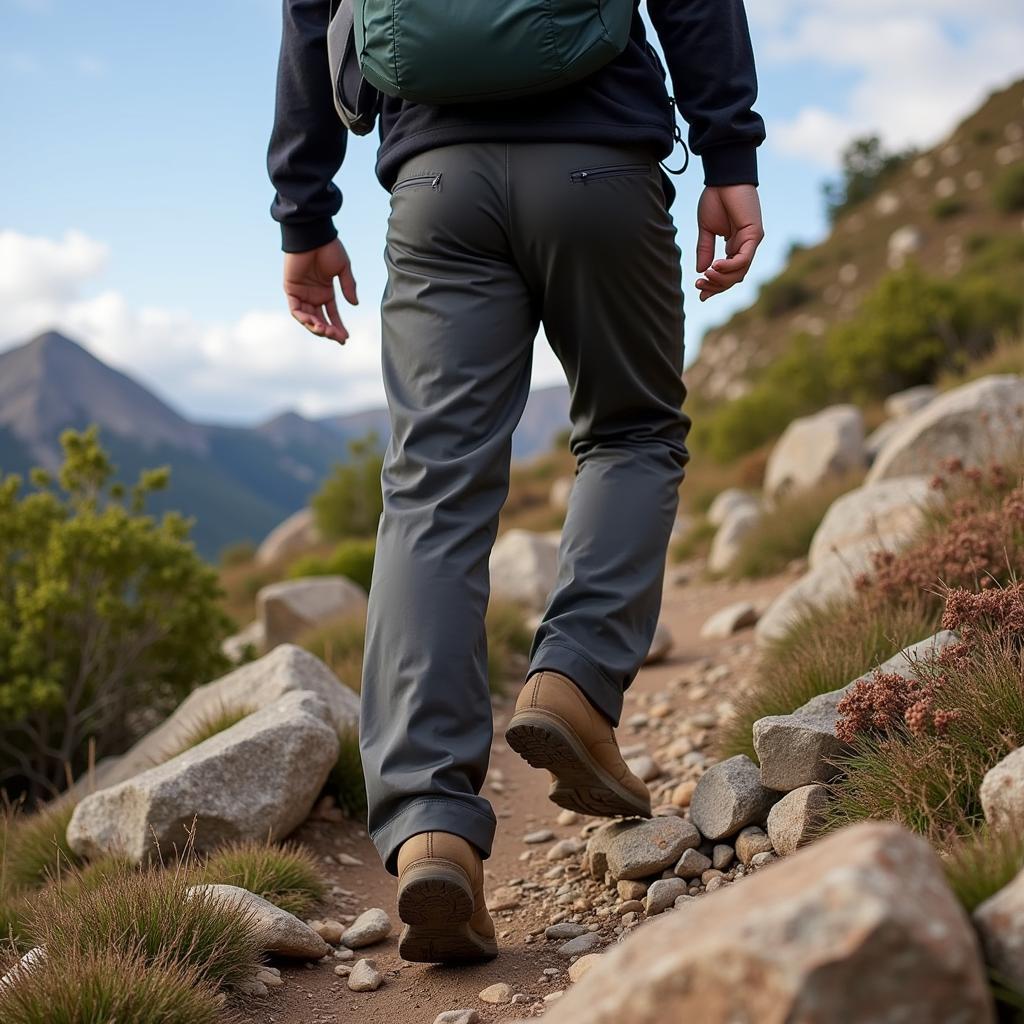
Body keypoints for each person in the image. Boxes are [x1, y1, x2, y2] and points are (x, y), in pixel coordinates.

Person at [268, 0, 765, 964]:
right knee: (633, 432)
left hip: (437, 179)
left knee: (430, 496)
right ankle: (573, 680)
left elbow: (308, 14)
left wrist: (304, 210)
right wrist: (729, 157)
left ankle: (430, 830)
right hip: (602, 164)